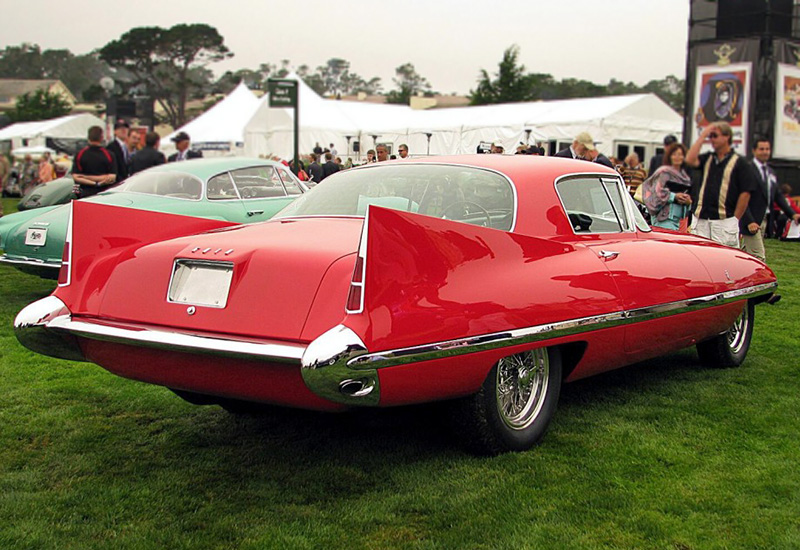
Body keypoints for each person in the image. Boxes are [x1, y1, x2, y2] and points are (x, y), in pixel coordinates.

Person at [685, 121, 756, 248]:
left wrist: (735, 219)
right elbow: (690, 159)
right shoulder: (708, 158)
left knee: (722, 259)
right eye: (710, 136)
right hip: (701, 219)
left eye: (715, 136)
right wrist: (702, 137)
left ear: (726, 136)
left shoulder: (740, 163)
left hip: (724, 220)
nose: (712, 139)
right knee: (699, 257)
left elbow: (745, 193)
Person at [740, 137, 800, 261]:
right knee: (758, 258)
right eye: (761, 149)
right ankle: (762, 280)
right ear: (754, 151)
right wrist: (749, 221)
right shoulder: (747, 170)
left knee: (746, 256)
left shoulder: (770, 171)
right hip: (751, 221)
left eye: (767, 149)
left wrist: (793, 214)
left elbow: (778, 196)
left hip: (764, 220)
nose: (765, 152)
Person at [642, 143, 693, 231]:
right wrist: (674, 196)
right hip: (665, 218)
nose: (677, 157)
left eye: (680, 154)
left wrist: (688, 202)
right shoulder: (664, 172)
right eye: (674, 154)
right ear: (669, 156)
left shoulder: (685, 175)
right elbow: (656, 192)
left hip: (680, 220)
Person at [71, 125, 117, 198]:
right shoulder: (109, 155)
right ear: (101, 138)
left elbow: (76, 177)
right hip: (105, 193)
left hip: (85, 193)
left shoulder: (80, 154)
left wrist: (85, 177)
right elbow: (112, 177)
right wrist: (101, 180)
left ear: (88, 138)